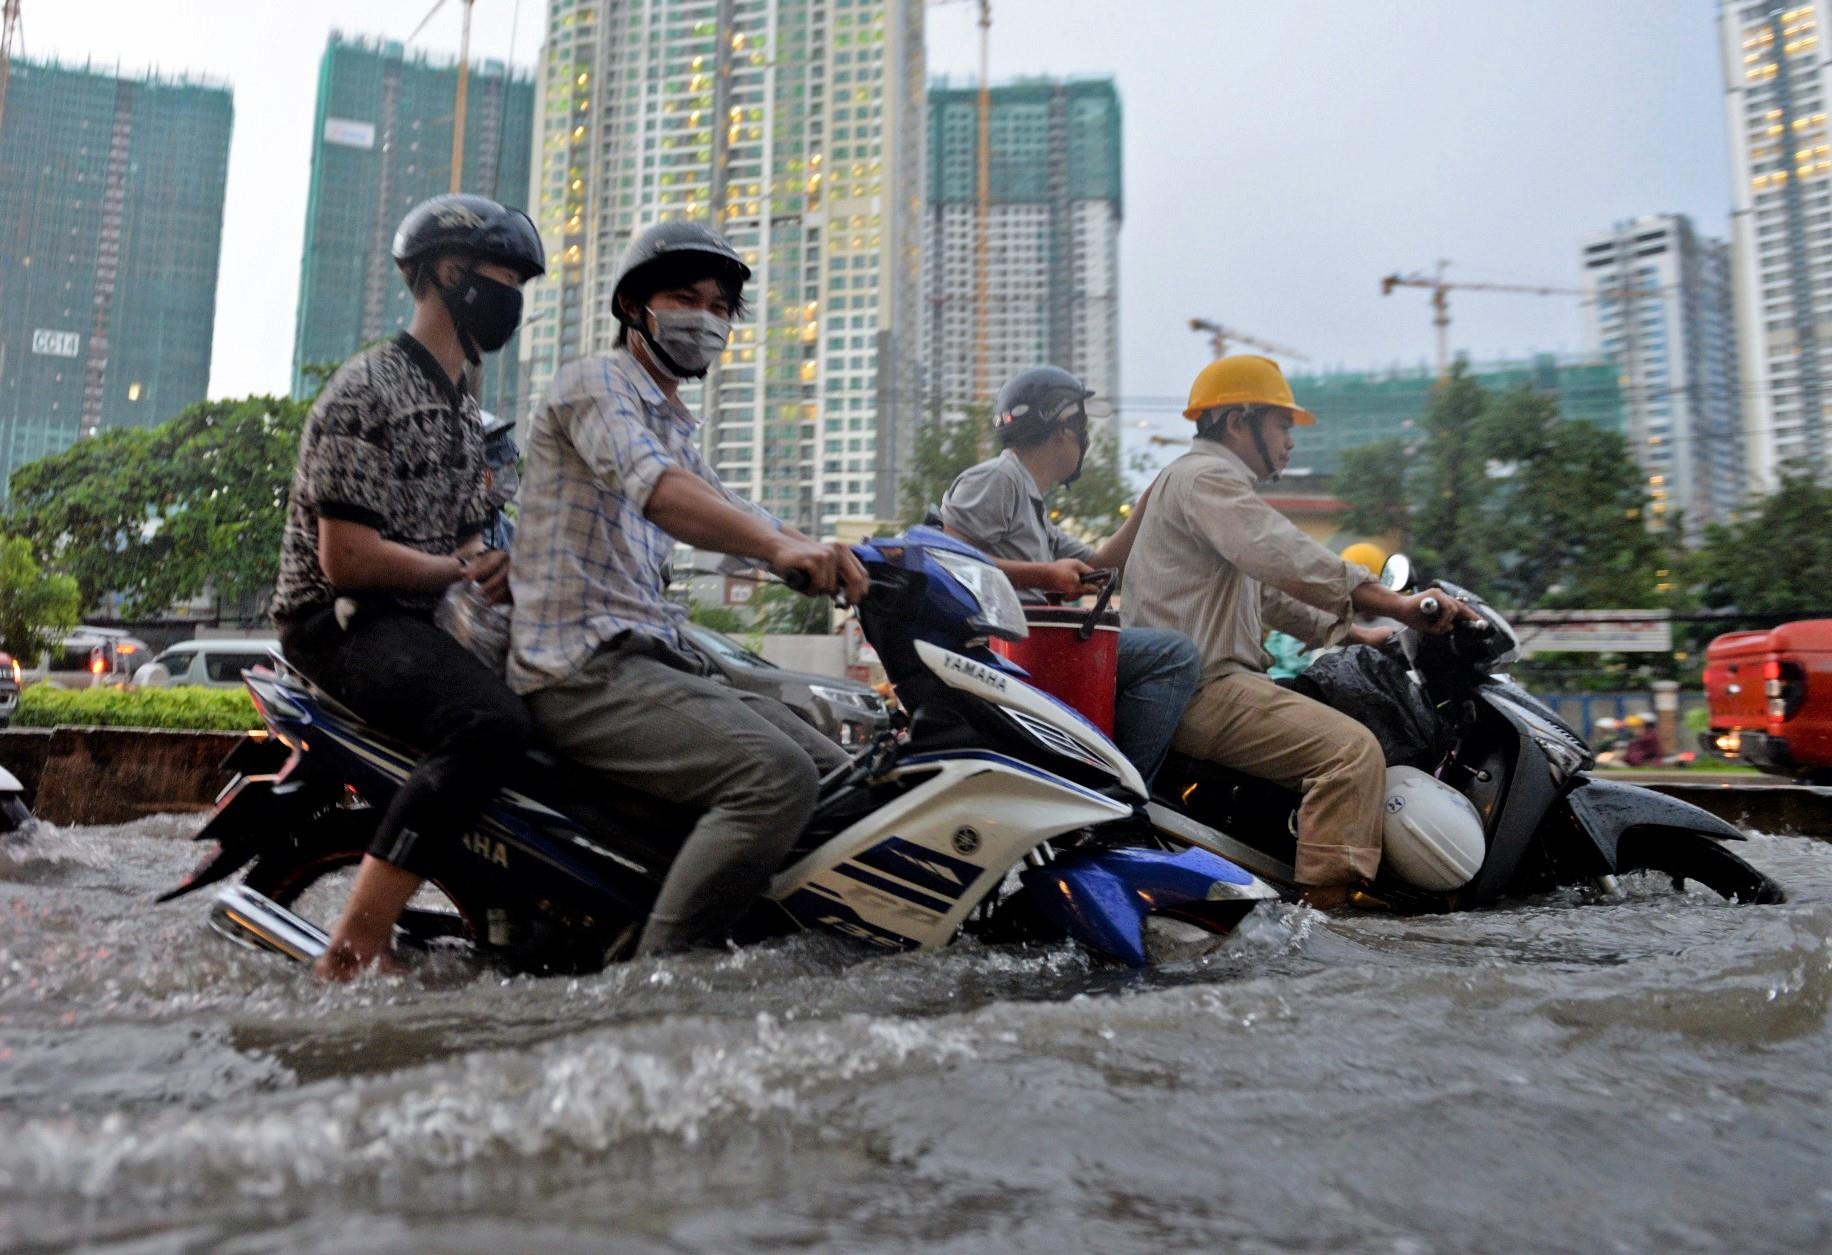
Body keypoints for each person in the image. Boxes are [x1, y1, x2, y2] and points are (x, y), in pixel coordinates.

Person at [507, 220, 868, 958]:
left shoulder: (670, 425)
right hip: (582, 672)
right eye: (684, 298)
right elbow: (661, 491)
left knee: (846, 777)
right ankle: (661, 980)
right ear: (633, 306)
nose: (705, 319)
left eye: (719, 307)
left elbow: (735, 508)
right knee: (776, 777)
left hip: (654, 664)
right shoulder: (597, 383)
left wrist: (852, 556)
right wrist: (779, 547)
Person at [270, 193, 546, 979]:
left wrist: (494, 566)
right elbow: (348, 559)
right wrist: (457, 568)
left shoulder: (462, 407)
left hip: (417, 616)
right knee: (487, 725)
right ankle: (351, 949)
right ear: (451, 273)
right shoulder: (368, 391)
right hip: (338, 621)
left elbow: (467, 536)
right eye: (504, 278)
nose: (513, 299)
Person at [1123, 355, 1478, 907]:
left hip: (1205, 683)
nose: (1291, 440)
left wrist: (1363, 635)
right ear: (1237, 422)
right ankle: (1325, 914)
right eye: (1282, 424)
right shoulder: (1207, 479)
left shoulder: (1198, 482)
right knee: (1350, 754)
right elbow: (1285, 555)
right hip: (1206, 688)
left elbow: (1268, 593)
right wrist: (1398, 604)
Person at [940, 365, 1200, 784]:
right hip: (1012, 650)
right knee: (1174, 655)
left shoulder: (1032, 503)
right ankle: (1121, 789)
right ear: (1062, 428)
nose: (1085, 440)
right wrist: (1044, 575)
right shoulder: (997, 479)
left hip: (1034, 645)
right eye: (1081, 428)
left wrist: (1146, 506)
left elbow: (1097, 569)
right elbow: (949, 558)